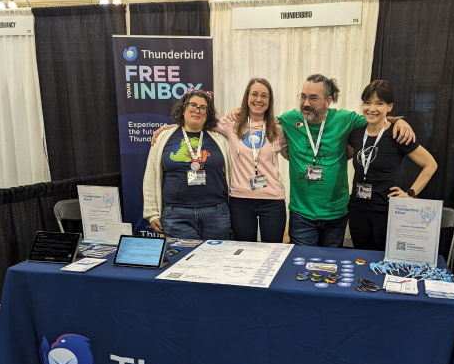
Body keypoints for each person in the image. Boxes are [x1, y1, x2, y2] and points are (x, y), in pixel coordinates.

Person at [230, 74, 415, 248]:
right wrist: (241, 110)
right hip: (302, 213)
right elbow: (262, 120)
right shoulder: (289, 120)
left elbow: (374, 118)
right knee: (301, 268)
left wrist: (398, 120)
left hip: (336, 214)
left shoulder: (345, 119)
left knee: (329, 268)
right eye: (303, 97)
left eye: (313, 98)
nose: (306, 103)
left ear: (328, 100)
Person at [152, 79, 288, 243]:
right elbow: (196, 122)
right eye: (254, 94)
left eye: (264, 96)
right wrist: (168, 128)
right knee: (243, 251)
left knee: (273, 249)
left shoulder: (278, 130)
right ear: (246, 97)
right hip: (241, 199)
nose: (259, 99)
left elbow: (292, 153)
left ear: (270, 101)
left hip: (272, 199)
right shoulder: (231, 125)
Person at [347, 80, 437, 251]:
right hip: (358, 210)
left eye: (379, 103)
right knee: (362, 259)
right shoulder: (356, 134)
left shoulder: (398, 134)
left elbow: (430, 164)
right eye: (367, 102)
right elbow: (344, 156)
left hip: (386, 212)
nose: (371, 108)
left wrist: (411, 194)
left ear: (389, 106)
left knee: (384, 261)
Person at [143, 89, 231, 240]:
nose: (197, 110)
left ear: (207, 114)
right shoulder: (163, 138)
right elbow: (150, 176)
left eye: (203, 108)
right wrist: (151, 213)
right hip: (176, 215)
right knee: (182, 262)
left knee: (216, 261)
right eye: (193, 105)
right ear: (183, 109)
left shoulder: (221, 139)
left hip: (216, 213)